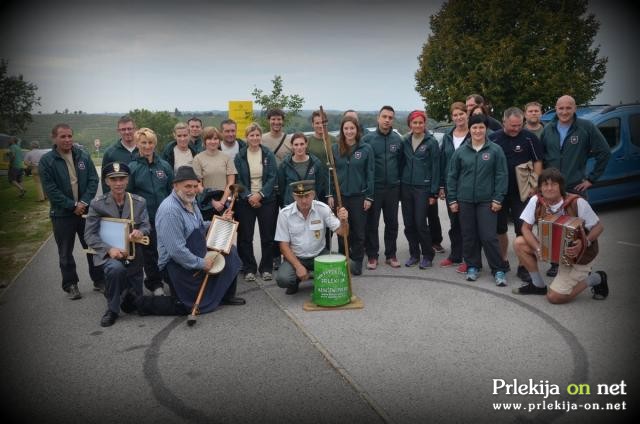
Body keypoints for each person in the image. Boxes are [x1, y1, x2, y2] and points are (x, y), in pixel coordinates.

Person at [137, 165, 245, 316]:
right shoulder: (170, 211)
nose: (192, 190)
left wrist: (219, 221)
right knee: (185, 305)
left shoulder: (191, 201)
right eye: (187, 186)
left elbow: (199, 227)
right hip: (175, 265)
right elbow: (176, 251)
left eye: (195, 186)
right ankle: (139, 303)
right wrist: (201, 264)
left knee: (230, 252)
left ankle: (225, 295)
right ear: (175, 186)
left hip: (195, 251)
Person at [512, 168, 608, 303]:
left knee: (554, 297)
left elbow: (599, 227)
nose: (549, 188)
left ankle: (596, 278)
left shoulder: (577, 202)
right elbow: (525, 228)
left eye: (554, 184)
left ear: (561, 187)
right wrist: (539, 248)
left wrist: (584, 242)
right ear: (540, 187)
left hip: (579, 255)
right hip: (552, 251)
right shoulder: (536, 201)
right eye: (545, 184)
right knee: (519, 243)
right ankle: (538, 285)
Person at [540, 94, 611, 277]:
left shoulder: (586, 127)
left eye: (568, 108)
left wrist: (591, 179)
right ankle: (556, 262)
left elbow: (604, 152)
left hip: (574, 187)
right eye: (561, 108)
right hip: (552, 190)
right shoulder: (548, 129)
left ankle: (584, 263)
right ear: (556, 109)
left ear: (575, 108)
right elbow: (541, 158)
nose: (564, 112)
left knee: (581, 228)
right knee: (554, 227)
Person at [39, 123, 104, 298]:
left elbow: (93, 180)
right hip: (62, 214)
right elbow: (51, 190)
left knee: (92, 246)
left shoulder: (82, 155)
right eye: (63, 136)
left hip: (85, 211)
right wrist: (72, 205)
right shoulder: (47, 161)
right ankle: (71, 285)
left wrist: (83, 202)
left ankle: (99, 280)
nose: (67, 140)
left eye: (69, 136)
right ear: (54, 138)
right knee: (65, 252)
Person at [84, 162, 151, 327]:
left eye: (122, 178)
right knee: (116, 269)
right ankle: (112, 310)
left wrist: (140, 232)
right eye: (113, 179)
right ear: (107, 182)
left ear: (127, 180)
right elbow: (89, 234)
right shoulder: (97, 204)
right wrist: (109, 249)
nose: (118, 183)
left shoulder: (139, 202)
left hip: (133, 253)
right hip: (110, 255)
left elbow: (146, 225)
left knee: (134, 303)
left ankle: (117, 291)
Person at [447, 114, 509, 286]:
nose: (477, 130)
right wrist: (452, 199)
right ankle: (473, 266)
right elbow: (452, 177)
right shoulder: (460, 152)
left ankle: (499, 269)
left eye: (481, 127)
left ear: (486, 129)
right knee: (469, 235)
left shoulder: (495, 150)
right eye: (474, 127)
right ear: (470, 129)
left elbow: (501, 175)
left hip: (487, 201)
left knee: (489, 236)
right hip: (465, 200)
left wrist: (498, 198)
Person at [489, 107, 544, 283]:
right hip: (499, 192)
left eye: (519, 125)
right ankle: (503, 261)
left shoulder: (529, 137)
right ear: (504, 121)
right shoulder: (493, 138)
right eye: (512, 125)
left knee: (523, 229)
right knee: (500, 229)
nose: (516, 129)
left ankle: (523, 266)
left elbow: (538, 161)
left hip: (523, 193)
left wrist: (534, 185)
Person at [274, 180, 349, 294]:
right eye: (299, 196)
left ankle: (316, 276)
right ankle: (296, 280)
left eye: (307, 196)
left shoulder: (322, 208)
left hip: (319, 254)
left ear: (313, 194)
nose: (304, 200)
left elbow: (343, 233)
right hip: (297, 257)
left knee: (348, 267)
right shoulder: (285, 214)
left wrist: (344, 221)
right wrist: (298, 266)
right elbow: (283, 246)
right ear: (294, 196)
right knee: (283, 279)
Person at [127, 128, 174, 296]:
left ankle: (172, 279)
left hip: (165, 218)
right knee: (150, 253)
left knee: (168, 249)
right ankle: (155, 284)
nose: (147, 146)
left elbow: (171, 192)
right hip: (144, 220)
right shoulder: (132, 167)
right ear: (138, 144)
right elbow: (129, 196)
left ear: (155, 144)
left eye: (151, 142)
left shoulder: (164, 166)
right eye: (144, 142)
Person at [328, 116, 375, 275]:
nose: (349, 131)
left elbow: (370, 174)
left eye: (352, 128)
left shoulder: (366, 149)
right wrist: (330, 194)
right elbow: (330, 174)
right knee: (342, 230)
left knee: (359, 232)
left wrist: (369, 196)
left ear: (357, 130)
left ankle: (356, 264)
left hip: (359, 196)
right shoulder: (335, 148)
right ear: (342, 130)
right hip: (341, 197)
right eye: (346, 128)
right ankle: (343, 261)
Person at [234, 122, 279, 282]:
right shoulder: (239, 156)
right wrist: (248, 196)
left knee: (267, 236)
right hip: (245, 201)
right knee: (246, 237)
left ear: (261, 136)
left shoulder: (268, 154)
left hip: (267, 200)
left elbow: (273, 176)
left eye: (257, 135)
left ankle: (266, 268)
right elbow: (237, 179)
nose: (255, 138)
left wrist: (260, 194)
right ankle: (249, 268)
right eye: (251, 135)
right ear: (246, 137)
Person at [362, 106, 403, 270]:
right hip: (375, 188)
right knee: (372, 223)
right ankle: (372, 255)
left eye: (390, 117)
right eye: (384, 117)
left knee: (392, 223)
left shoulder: (397, 139)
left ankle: (391, 255)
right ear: (378, 118)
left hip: (393, 188)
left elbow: (401, 163)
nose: (387, 120)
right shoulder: (367, 140)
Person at [400, 110, 440, 269]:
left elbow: (436, 168)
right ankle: (414, 254)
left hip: (423, 188)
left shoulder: (431, 142)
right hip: (406, 186)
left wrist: (433, 192)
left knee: (420, 222)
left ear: (425, 124)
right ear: (410, 124)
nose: (417, 125)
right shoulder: (405, 141)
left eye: (420, 123)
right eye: (414, 123)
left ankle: (428, 254)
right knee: (409, 224)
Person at [439, 102, 469, 271]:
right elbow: (443, 162)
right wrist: (442, 186)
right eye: (455, 115)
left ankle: (469, 258)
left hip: (468, 186)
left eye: (461, 114)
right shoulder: (448, 136)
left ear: (467, 114)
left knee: (467, 224)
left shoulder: (474, 134)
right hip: (451, 187)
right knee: (454, 223)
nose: (459, 117)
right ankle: (455, 255)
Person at [192, 126, 237, 219]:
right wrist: (212, 202)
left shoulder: (226, 157)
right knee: (207, 231)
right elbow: (198, 184)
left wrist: (222, 202)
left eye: (215, 138)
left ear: (219, 140)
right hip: (206, 204)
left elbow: (231, 182)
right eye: (209, 139)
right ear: (204, 141)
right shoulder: (198, 159)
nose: (213, 141)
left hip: (225, 202)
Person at [277, 132, 325, 206]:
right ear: (292, 146)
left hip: (311, 204)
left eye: (302, 144)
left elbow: (319, 185)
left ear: (306, 144)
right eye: (296, 144)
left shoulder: (316, 163)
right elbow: (282, 187)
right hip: (291, 204)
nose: (299, 147)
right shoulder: (285, 165)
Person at [101, 115, 139, 192]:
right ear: (118, 131)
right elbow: (105, 179)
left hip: (142, 200)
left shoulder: (144, 149)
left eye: (129, 129)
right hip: (120, 199)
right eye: (123, 129)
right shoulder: (110, 153)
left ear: (135, 129)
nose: (127, 132)